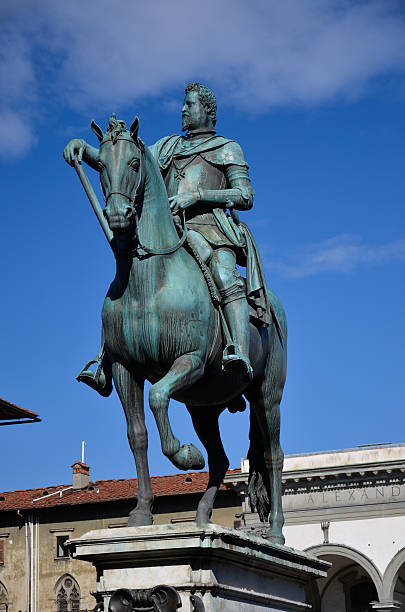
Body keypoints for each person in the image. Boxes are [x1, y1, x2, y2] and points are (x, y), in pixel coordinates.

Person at [64, 82, 265, 394]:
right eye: (183, 105)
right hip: (168, 231)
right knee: (127, 275)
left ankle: (237, 350)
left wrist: (198, 195)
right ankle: (106, 358)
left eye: (190, 104)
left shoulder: (227, 147)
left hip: (210, 230)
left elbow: (245, 195)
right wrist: (85, 149)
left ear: (207, 110)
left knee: (225, 275)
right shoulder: (168, 147)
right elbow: (127, 157)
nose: (183, 110)